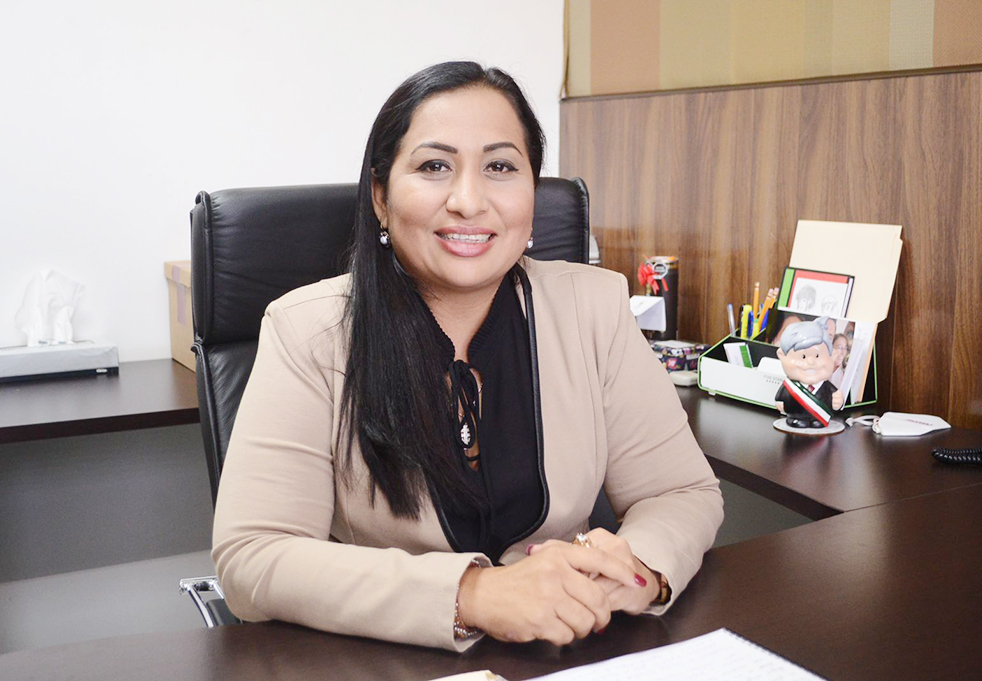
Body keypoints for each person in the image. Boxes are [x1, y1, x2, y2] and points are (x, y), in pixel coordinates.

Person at [211, 61, 723, 652]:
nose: (469, 201)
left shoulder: (594, 307)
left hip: (569, 649)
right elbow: (254, 557)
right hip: (386, 659)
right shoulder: (308, 330)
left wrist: (635, 571)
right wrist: (475, 595)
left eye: (500, 167)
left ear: (533, 191)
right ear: (380, 197)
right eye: (434, 166)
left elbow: (680, 493)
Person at [774, 317, 845, 428]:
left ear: (833, 356)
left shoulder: (827, 387)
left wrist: (838, 401)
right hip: (795, 416)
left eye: (817, 356)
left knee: (818, 423)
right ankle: (797, 419)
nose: (811, 362)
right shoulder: (790, 386)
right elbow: (781, 397)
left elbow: (835, 399)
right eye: (803, 356)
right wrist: (780, 403)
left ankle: (817, 421)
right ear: (782, 356)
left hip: (820, 419)